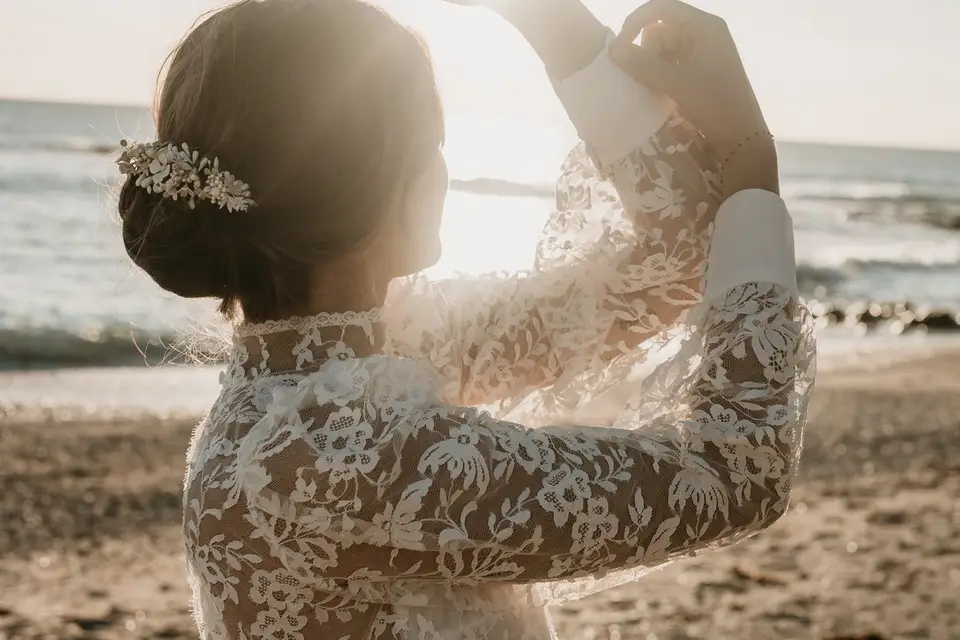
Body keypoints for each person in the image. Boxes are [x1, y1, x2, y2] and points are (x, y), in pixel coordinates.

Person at [115, 0, 815, 637]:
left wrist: (557, 26)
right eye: (433, 141)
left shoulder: (374, 354)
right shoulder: (326, 456)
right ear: (385, 179)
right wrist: (750, 159)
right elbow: (733, 476)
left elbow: (672, 259)